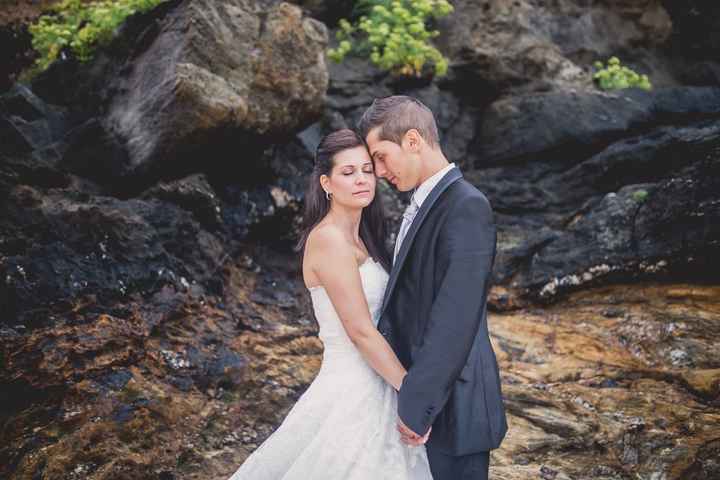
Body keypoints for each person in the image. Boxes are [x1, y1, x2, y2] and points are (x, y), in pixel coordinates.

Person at [227, 129, 433, 479]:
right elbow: (360, 332)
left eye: (367, 170)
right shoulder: (328, 240)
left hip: (380, 379)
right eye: (348, 172)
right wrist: (415, 395)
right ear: (326, 183)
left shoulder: (364, 237)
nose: (361, 179)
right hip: (353, 387)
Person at [357, 95, 508, 480]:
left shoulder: (466, 206)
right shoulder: (424, 203)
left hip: (453, 410)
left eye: (380, 156)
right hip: (428, 404)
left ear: (412, 141)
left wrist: (416, 405)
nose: (376, 171)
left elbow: (454, 319)